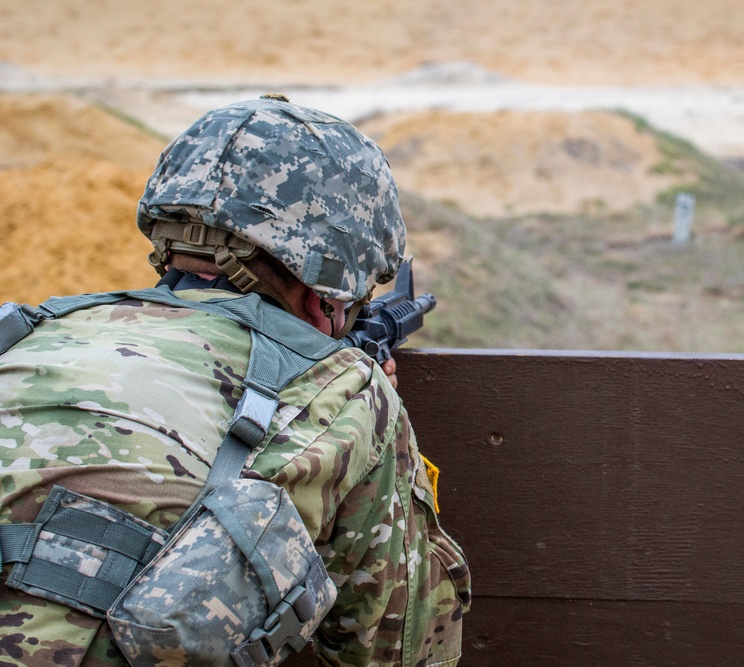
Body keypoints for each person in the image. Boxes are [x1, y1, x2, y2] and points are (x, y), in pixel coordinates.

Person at [0, 96, 470, 666]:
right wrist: (369, 413)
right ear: (327, 293)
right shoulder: (344, 392)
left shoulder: (26, 333)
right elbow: (401, 652)